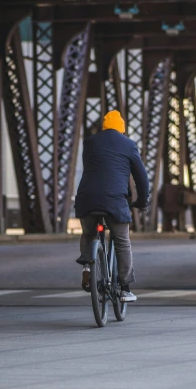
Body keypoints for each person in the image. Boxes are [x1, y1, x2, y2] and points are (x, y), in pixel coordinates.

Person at [75, 110, 149, 302]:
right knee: (122, 240)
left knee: (89, 233)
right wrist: (142, 201)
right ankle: (125, 288)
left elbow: (97, 170)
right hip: (115, 201)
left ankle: (87, 266)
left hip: (87, 199)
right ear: (122, 130)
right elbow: (141, 178)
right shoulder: (129, 145)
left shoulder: (89, 143)